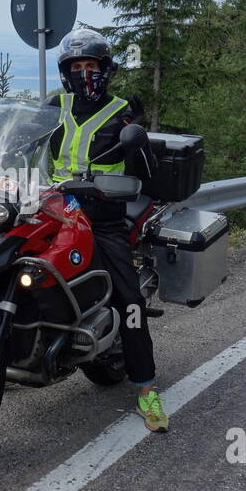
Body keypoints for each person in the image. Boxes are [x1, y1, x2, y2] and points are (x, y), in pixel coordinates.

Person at [45, 28, 168, 432]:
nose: (84, 73)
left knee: (129, 300)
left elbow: (146, 176)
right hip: (54, 210)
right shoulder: (54, 106)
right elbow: (20, 145)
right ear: (66, 71)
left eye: (90, 66)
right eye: (76, 66)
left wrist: (137, 140)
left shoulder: (121, 113)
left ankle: (147, 390)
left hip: (103, 217)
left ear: (104, 69)